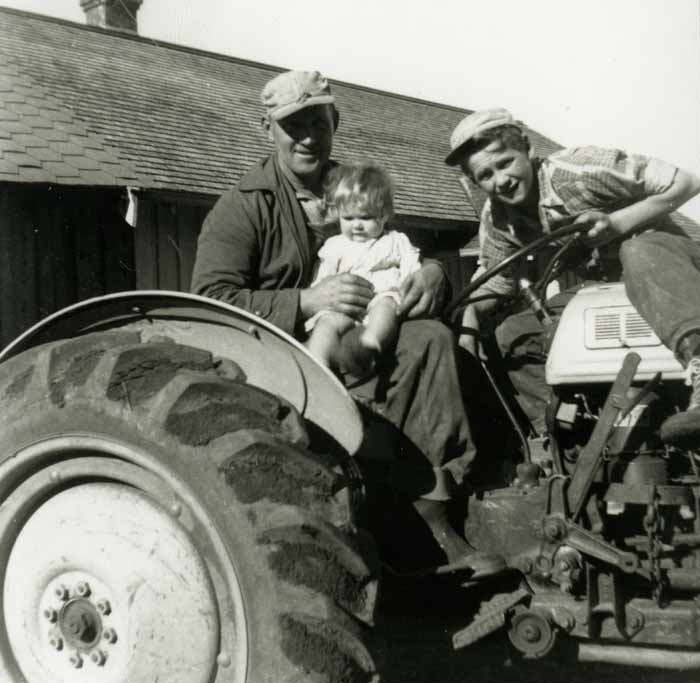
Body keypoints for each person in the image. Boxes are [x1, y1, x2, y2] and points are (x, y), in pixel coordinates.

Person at [191, 69, 505, 573]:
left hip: (370, 333)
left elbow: (398, 250)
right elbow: (209, 300)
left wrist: (431, 274)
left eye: (318, 122)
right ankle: (397, 521)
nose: (308, 137)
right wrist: (306, 301)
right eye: (293, 126)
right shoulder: (243, 207)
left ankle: (435, 507)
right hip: (291, 355)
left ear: (335, 123)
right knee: (416, 348)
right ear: (266, 129)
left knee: (432, 337)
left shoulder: (357, 185)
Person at [444, 107, 700, 444]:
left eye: (505, 163)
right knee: (512, 335)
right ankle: (568, 440)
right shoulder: (498, 219)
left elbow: (687, 182)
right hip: (605, 292)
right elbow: (499, 278)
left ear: (527, 149)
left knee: (635, 250)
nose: (501, 180)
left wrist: (617, 224)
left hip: (669, 271)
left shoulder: (579, 170)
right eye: (485, 175)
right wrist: (470, 317)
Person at [305, 161, 421, 371]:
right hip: (343, 304)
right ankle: (317, 361)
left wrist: (406, 287)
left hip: (381, 295)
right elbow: (325, 276)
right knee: (326, 324)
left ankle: (370, 343)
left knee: (385, 307)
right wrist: (323, 296)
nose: (357, 225)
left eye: (366, 217)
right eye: (348, 218)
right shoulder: (335, 244)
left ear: (384, 215)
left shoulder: (396, 240)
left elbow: (411, 267)